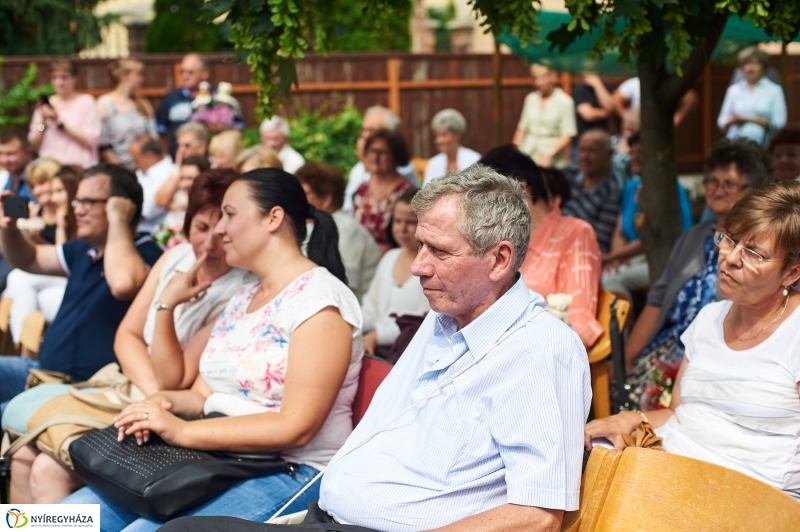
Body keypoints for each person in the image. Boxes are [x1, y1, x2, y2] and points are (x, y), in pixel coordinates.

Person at [160, 165, 591, 532]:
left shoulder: (539, 349)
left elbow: (538, 513)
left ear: (499, 260)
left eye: (439, 251)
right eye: (420, 245)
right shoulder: (446, 315)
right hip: (323, 512)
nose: (418, 266)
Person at [62, 169, 363, 531]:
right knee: (51, 521)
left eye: (230, 214)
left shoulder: (320, 301)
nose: (220, 229)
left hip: (289, 471)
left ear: (274, 218)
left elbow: (296, 426)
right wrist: (158, 405)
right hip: (218, 457)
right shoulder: (245, 296)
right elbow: (202, 395)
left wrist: (181, 431)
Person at [8, 169, 251, 505]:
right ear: (187, 223)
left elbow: (175, 379)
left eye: (221, 233)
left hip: (171, 411)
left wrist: (166, 306)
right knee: (22, 456)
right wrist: (150, 393)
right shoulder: (175, 257)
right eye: (201, 228)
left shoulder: (239, 289)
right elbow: (128, 335)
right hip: (133, 392)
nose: (209, 244)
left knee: (46, 469)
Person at [586, 180, 800, 500]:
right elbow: (679, 414)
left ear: (791, 274)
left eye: (754, 253)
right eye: (729, 240)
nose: (730, 258)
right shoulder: (709, 319)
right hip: (672, 473)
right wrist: (629, 419)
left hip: (753, 501)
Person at [622, 138, 773, 411]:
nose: (717, 190)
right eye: (712, 182)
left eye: (728, 184)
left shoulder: (760, 251)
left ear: (754, 191)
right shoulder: (693, 237)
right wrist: (626, 359)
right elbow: (657, 300)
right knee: (619, 394)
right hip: (665, 352)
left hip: (714, 363)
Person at [0, 163, 162, 415]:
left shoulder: (147, 255)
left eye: (89, 202)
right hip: (41, 373)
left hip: (83, 391)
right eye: (78, 201)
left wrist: (118, 220)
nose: (79, 211)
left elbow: (123, 285)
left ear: (122, 206)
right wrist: (8, 228)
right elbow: (28, 258)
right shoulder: (85, 249)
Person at [481, 145, 602, 348]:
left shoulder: (575, 233)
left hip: (537, 357)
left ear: (519, 187)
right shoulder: (499, 239)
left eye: (487, 197)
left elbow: (579, 324)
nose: (482, 208)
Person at [602, 133, 694, 301]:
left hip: (667, 258)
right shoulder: (631, 186)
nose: (635, 157)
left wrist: (611, 257)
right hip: (636, 257)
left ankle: (622, 326)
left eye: (641, 153)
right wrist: (616, 257)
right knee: (608, 271)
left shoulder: (667, 189)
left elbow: (648, 239)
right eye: (632, 153)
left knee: (611, 278)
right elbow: (620, 230)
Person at [4, 159, 76, 349]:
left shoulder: (73, 212)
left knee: (17, 279)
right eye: (33, 186)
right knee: (24, 292)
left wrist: (61, 226)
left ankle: (20, 346)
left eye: (42, 183)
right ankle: (25, 346)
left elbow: (65, 257)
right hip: (45, 280)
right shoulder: (35, 212)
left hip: (64, 275)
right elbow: (33, 256)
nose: (38, 191)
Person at [295, 162, 380, 301]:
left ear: (326, 199)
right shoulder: (309, 225)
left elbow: (341, 283)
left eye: (305, 194)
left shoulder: (347, 230)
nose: (297, 199)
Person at [361, 188, 429, 357]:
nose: (402, 229)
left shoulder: (430, 266)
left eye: (411, 222)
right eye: (397, 221)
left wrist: (379, 336)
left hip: (409, 353)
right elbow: (370, 309)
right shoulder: (389, 257)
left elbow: (422, 322)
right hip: (374, 347)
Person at [156, 54, 243, 159]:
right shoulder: (171, 97)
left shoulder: (220, 98)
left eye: (190, 72)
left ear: (205, 73)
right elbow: (161, 132)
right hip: (178, 159)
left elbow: (238, 129)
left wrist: (221, 128)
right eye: (182, 72)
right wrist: (166, 157)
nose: (185, 76)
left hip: (212, 159)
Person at [343, 106, 418, 212]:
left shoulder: (404, 168)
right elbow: (348, 207)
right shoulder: (357, 170)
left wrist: (367, 163)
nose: (365, 136)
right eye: (363, 130)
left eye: (371, 130)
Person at [28, 59, 101, 168]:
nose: (59, 83)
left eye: (64, 77)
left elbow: (91, 140)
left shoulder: (86, 102)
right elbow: (33, 144)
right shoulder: (46, 105)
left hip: (79, 167)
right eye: (55, 77)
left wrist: (59, 123)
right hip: (50, 168)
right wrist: (43, 122)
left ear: (75, 79)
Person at [352, 129, 414, 252]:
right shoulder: (362, 189)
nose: (375, 157)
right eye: (372, 151)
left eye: (383, 152)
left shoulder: (406, 191)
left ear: (396, 156)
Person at [561, 129, 621, 253]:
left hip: (579, 248)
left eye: (592, 151)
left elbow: (600, 241)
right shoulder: (570, 171)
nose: (584, 156)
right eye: (582, 150)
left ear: (609, 155)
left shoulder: (612, 189)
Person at [718, 46, 787, 146]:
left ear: (763, 67)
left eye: (755, 64)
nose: (750, 68)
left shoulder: (774, 90)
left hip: (763, 145)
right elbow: (721, 122)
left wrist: (748, 119)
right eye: (746, 64)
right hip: (735, 144)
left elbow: (780, 123)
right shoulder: (734, 90)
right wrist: (732, 121)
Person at [513, 64, 577, 169]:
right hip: (527, 154)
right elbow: (521, 129)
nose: (539, 82)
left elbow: (567, 135)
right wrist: (513, 153)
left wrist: (549, 154)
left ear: (553, 77)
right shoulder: (530, 99)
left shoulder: (565, 102)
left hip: (552, 161)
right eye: (535, 78)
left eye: (542, 77)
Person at [97, 59, 158, 170]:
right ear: (124, 76)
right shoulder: (104, 103)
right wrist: (118, 167)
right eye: (139, 75)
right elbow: (102, 141)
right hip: (117, 169)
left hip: (144, 168)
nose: (142, 80)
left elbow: (153, 136)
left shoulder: (143, 103)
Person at [155, 156, 212, 246]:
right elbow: (159, 200)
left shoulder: (210, 203)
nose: (184, 184)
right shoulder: (178, 196)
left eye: (190, 178)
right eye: (181, 178)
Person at [130, 136, 177, 234]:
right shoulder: (140, 172)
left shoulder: (171, 172)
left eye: (136, 160)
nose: (134, 165)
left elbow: (147, 210)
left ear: (150, 156)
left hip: (154, 235)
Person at [422, 108, 480, 185]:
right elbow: (426, 190)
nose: (439, 140)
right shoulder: (433, 163)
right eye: (436, 136)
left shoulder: (474, 159)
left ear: (457, 135)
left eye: (444, 135)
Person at [614, 76, 698, 127]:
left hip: (661, 127)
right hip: (637, 127)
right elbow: (616, 102)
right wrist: (630, 119)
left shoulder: (667, 84)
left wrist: (676, 119)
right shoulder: (635, 83)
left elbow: (691, 98)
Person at [572, 73, 615, 140]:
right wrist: (607, 113)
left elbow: (610, 107)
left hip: (604, 139)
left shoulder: (607, 85)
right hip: (583, 139)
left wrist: (597, 84)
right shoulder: (579, 88)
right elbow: (589, 115)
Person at [0, 126, 35, 202]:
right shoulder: (7, 178)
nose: (4, 160)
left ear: (28, 152)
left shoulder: (41, 178)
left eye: (10, 154)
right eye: (1, 154)